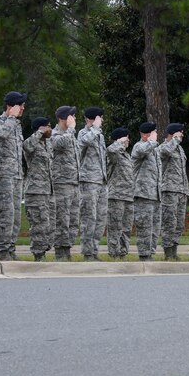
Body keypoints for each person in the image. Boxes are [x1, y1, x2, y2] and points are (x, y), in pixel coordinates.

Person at [0, 91, 26, 261]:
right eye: (21, 105)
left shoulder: (17, 125)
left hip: (16, 176)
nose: (23, 108)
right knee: (5, 214)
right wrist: (11, 118)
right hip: (3, 176)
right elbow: (1, 134)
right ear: (11, 106)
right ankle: (3, 251)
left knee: (16, 216)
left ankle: (11, 248)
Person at [50, 105, 80, 261]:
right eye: (72, 116)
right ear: (64, 118)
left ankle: (67, 250)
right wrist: (71, 129)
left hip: (74, 183)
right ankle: (60, 253)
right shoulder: (55, 134)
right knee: (62, 219)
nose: (74, 119)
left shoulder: (71, 135)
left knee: (73, 220)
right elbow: (59, 144)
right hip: (61, 184)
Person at [77, 107, 108, 261]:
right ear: (94, 119)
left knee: (101, 218)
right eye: (100, 118)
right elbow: (82, 143)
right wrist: (94, 128)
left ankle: (94, 250)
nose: (102, 121)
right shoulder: (84, 133)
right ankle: (87, 252)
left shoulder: (99, 136)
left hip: (101, 181)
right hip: (88, 181)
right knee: (89, 217)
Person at [22, 117, 54, 261]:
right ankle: (38, 255)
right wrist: (39, 133)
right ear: (40, 128)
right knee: (38, 225)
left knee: (47, 224)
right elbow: (27, 146)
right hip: (35, 191)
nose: (51, 129)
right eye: (48, 126)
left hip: (47, 191)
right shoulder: (32, 142)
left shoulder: (47, 144)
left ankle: (43, 250)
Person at [157, 122, 189, 260]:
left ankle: (174, 251)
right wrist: (174, 140)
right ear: (172, 133)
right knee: (169, 222)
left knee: (179, 223)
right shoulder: (164, 147)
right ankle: (167, 252)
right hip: (169, 190)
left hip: (181, 191)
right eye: (179, 132)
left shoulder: (180, 149)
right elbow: (164, 153)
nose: (182, 134)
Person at [132, 122, 160, 261]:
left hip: (154, 194)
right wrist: (152, 141)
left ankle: (150, 252)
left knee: (154, 226)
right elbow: (142, 151)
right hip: (143, 194)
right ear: (144, 134)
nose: (156, 134)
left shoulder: (153, 150)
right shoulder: (139, 147)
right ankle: (144, 254)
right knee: (144, 225)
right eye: (153, 132)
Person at [106, 127, 134, 259]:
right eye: (126, 137)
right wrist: (119, 142)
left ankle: (123, 252)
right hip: (116, 195)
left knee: (126, 227)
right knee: (115, 226)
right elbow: (110, 149)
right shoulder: (114, 153)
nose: (128, 140)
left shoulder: (126, 154)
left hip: (128, 196)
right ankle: (114, 253)